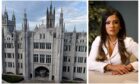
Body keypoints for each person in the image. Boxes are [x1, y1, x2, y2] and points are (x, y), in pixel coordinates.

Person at [88, 8, 138, 75]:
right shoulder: (98, 40)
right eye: (108, 23)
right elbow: (89, 63)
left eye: (116, 22)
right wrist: (110, 67)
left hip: (122, 79)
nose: (112, 26)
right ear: (104, 26)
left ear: (120, 26)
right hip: (101, 79)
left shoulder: (128, 42)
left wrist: (130, 66)